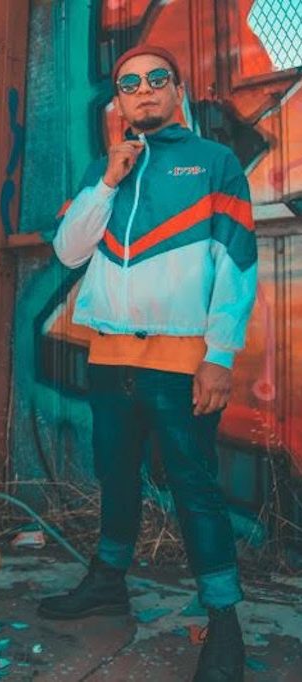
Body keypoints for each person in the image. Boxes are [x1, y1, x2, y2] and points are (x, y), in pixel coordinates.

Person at [39, 45, 257, 682]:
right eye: (129, 83)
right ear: (119, 100)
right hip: (110, 356)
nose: (143, 89)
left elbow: (236, 266)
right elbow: (68, 251)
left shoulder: (215, 162)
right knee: (116, 475)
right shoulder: (105, 168)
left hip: (181, 360)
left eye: (157, 78)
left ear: (177, 89)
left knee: (195, 488)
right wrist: (108, 179)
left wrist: (219, 357)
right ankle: (108, 583)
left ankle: (224, 622)